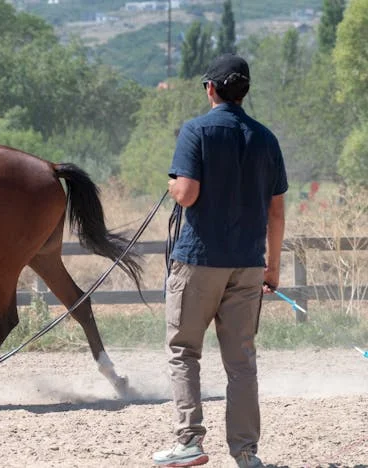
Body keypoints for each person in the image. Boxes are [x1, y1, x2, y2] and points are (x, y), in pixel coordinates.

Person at [152, 54, 287, 468]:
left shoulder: (196, 131)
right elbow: (277, 211)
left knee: (183, 350)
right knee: (241, 361)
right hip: (247, 263)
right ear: (244, 91)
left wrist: (173, 183)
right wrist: (273, 267)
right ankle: (246, 452)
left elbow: (187, 194)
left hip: (199, 260)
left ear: (210, 88)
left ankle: (190, 440)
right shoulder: (266, 139)